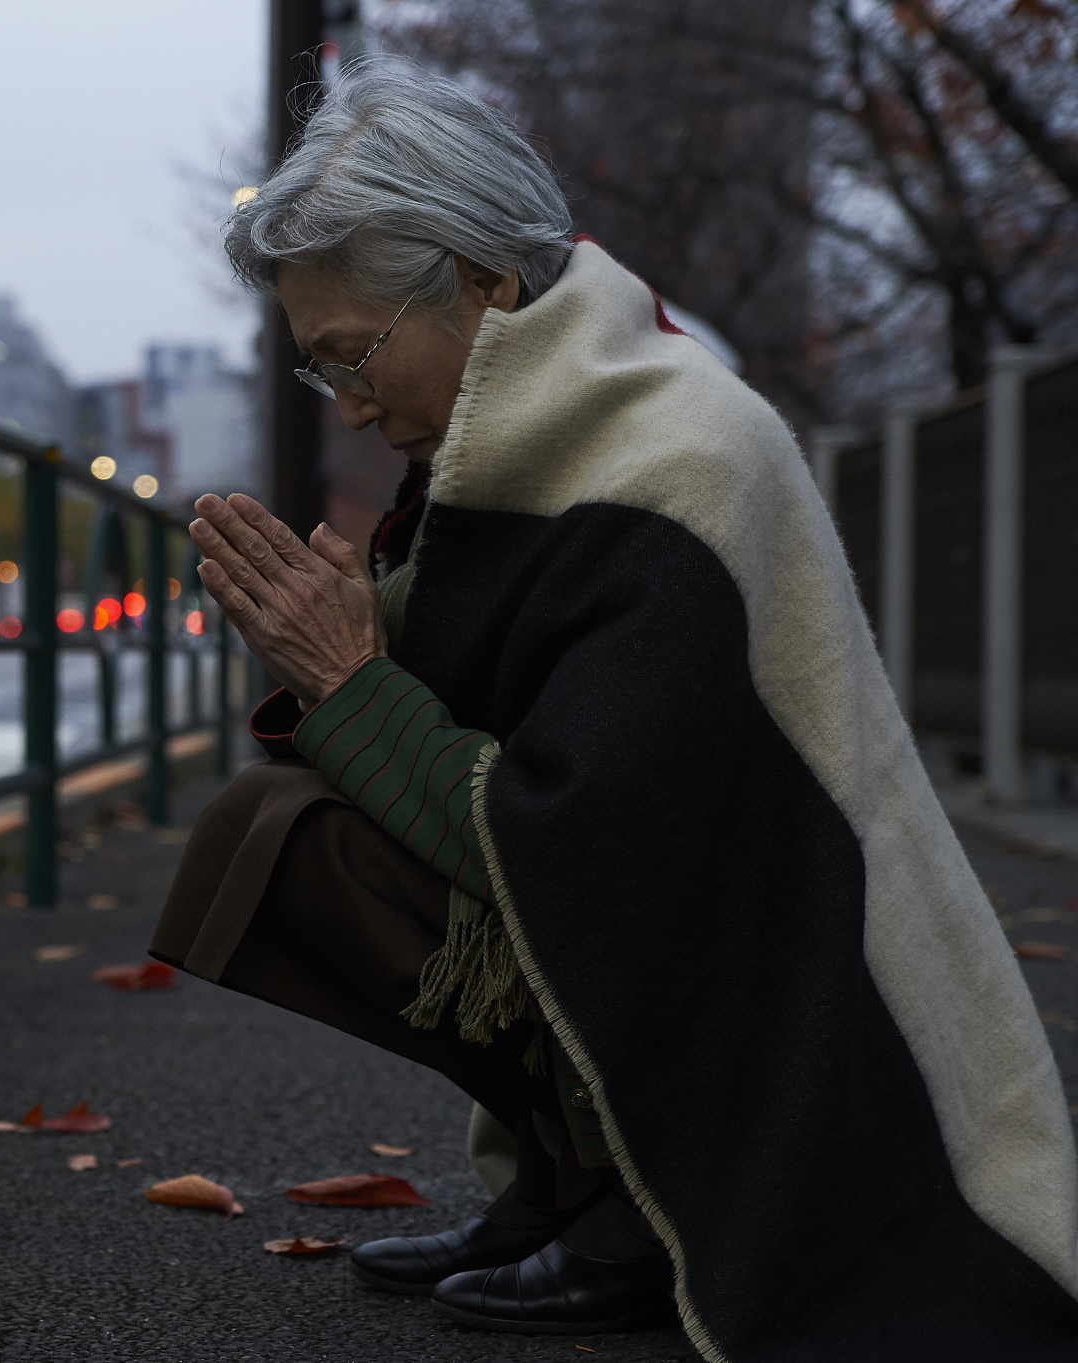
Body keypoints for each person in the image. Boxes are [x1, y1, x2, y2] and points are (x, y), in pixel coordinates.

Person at [151, 62, 1078, 1357]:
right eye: (320, 375)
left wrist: (355, 683)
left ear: (478, 280)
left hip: (774, 1004)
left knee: (300, 829)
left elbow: (588, 848)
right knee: (278, 824)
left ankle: (635, 1212)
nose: (350, 402)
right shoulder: (531, 438)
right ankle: (568, 1182)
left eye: (352, 355)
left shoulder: (679, 455)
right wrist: (346, 654)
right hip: (681, 938)